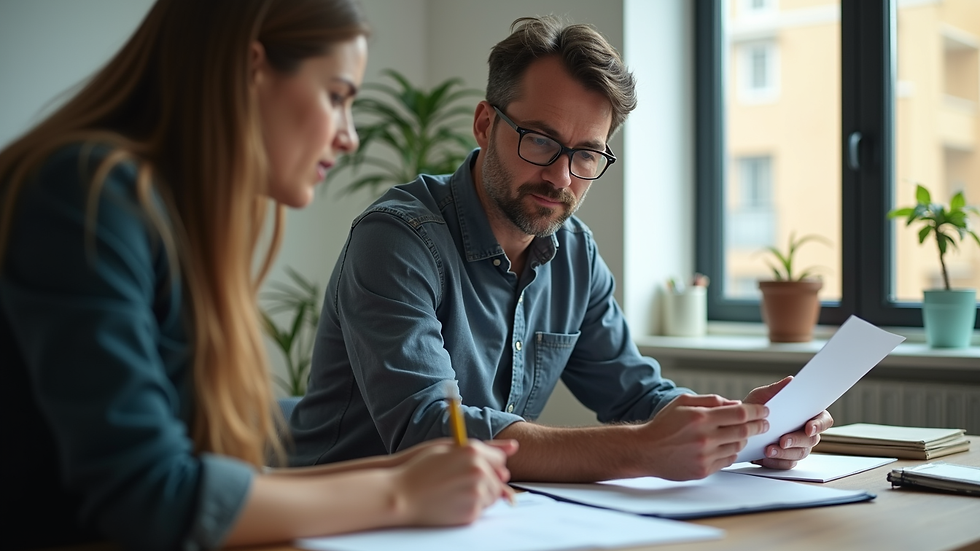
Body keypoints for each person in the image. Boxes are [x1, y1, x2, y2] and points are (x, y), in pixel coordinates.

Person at [0, 1, 517, 550]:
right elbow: (147, 493)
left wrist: (408, 475)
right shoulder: (86, 196)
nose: (350, 138)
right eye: (337, 96)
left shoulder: (172, 218)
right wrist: (401, 495)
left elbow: (201, 473)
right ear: (251, 70)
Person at [288, 15, 833, 482]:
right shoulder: (398, 240)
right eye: (541, 141)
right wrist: (644, 449)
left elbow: (634, 392)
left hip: (486, 516)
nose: (560, 176)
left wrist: (744, 426)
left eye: (587, 155)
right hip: (347, 524)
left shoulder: (573, 251)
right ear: (485, 124)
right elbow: (431, 431)